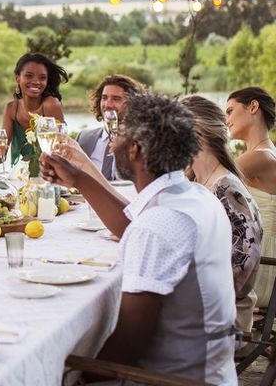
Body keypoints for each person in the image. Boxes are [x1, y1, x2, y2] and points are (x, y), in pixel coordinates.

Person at [40, 94, 236, 383]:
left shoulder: (160, 224)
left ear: (134, 149)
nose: (111, 142)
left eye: (118, 133)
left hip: (174, 379)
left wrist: (74, 376)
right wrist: (78, 179)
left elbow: (127, 346)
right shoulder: (194, 197)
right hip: (214, 371)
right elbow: (131, 225)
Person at [183, 95, 262, 333]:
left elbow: (240, 269)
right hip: (202, 303)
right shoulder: (196, 180)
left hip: (225, 316)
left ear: (197, 132)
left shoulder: (226, 188)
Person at [226, 86, 276, 308]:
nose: (226, 119)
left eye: (229, 111)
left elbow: (203, 182)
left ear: (253, 107)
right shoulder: (262, 154)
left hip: (262, 265)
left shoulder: (261, 157)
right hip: (254, 253)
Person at [1, 52, 68, 167]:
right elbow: (0, 156)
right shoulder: (11, 108)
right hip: (18, 176)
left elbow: (61, 150)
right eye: (29, 76)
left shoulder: (50, 105)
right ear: (17, 78)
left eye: (42, 78)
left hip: (48, 175)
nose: (36, 82)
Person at [76, 74, 145, 181]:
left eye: (116, 99)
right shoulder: (84, 138)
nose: (108, 104)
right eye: (104, 98)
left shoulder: (142, 142)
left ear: (133, 104)